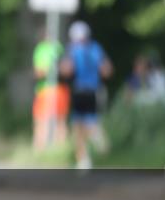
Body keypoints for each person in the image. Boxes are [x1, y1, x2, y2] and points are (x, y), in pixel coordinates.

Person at [61, 21, 113, 169]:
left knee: (78, 127)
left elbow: (67, 70)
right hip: (95, 90)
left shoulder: (73, 49)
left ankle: (83, 160)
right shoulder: (96, 48)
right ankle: (95, 136)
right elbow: (107, 70)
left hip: (79, 90)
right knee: (91, 120)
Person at [32, 27, 69, 150]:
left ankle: (40, 149)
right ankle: (60, 149)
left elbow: (39, 72)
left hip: (47, 89)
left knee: (42, 120)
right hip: (60, 88)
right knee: (59, 120)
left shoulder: (41, 49)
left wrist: (47, 71)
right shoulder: (59, 48)